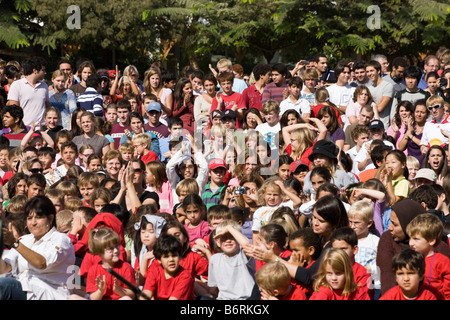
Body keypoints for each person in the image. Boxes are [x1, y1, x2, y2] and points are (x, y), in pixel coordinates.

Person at [0, 195, 75, 300]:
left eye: (39, 217)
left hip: (49, 293)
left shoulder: (61, 239)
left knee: (4, 286)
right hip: (23, 289)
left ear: (50, 218)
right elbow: (5, 269)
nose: (33, 223)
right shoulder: (25, 240)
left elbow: (41, 263)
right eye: (29, 218)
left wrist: (15, 243)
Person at [376, 199, 450, 296]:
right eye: (390, 222)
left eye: (395, 224)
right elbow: (387, 276)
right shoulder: (388, 238)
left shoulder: (435, 245)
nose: (389, 227)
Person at [72, 227, 136, 300]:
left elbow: (132, 294)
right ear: (99, 252)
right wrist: (100, 291)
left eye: (117, 246)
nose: (116, 250)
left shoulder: (126, 267)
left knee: (126, 299)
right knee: (73, 297)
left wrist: (119, 290)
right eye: (110, 249)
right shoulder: (93, 270)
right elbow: (93, 297)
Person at [207, 219, 260, 300]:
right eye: (224, 238)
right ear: (217, 241)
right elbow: (213, 289)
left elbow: (246, 244)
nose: (228, 240)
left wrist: (229, 228)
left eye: (232, 237)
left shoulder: (243, 255)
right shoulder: (215, 259)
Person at [406, 213, 450, 300]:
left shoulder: (442, 261)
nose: (411, 243)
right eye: (410, 238)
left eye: (416, 239)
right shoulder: (410, 259)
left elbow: (448, 288)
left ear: (431, 241)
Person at [141, 234, 195, 300]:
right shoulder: (155, 271)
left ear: (180, 256)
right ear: (159, 259)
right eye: (166, 257)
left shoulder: (185, 277)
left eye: (174, 255)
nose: (171, 260)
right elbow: (146, 294)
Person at [347, 200, 381, 297]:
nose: (352, 226)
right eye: (350, 222)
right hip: (351, 284)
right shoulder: (347, 240)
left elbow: (382, 266)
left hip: (371, 286)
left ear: (369, 223)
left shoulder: (375, 242)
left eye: (357, 223)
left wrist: (367, 270)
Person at [6, 56, 50, 126]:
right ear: (35, 70)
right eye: (43, 70)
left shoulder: (44, 86)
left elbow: (47, 106)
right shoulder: (17, 85)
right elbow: (13, 109)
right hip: (25, 128)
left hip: (41, 129)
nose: (45, 73)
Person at [130, 214, 167, 281]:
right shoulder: (141, 253)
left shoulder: (162, 256)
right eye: (143, 232)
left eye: (151, 232)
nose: (146, 235)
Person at [398, 99, 428, 166]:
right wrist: (408, 131)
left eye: (422, 112)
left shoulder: (429, 127)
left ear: (427, 114)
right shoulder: (411, 126)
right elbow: (400, 148)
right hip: (410, 165)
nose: (419, 115)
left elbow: (425, 145)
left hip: (424, 165)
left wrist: (411, 136)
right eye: (417, 112)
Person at [366, 60, 394, 130]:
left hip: (384, 125)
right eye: (367, 72)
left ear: (378, 71)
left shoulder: (387, 86)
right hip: (370, 124)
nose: (369, 73)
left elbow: (380, 108)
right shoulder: (368, 88)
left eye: (372, 71)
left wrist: (372, 106)